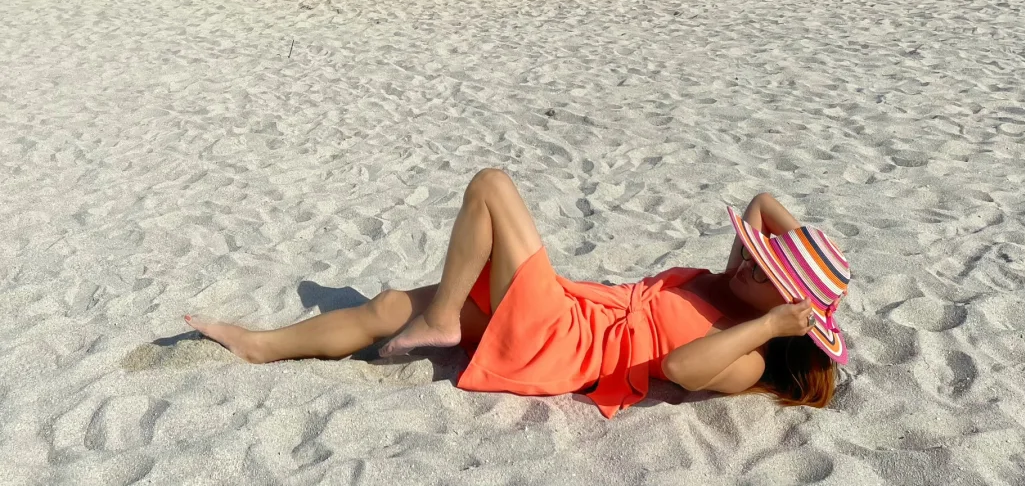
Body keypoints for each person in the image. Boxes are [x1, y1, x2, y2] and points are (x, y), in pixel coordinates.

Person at [184, 171, 850, 417]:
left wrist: (774, 325)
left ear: (784, 310)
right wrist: (796, 274)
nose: (750, 262)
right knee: (389, 307)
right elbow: (763, 201)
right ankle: (262, 347)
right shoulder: (732, 284)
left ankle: (443, 319)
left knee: (492, 187)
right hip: (567, 308)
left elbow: (680, 367)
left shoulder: (750, 356)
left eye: (767, 271)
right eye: (759, 256)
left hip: (567, 341)